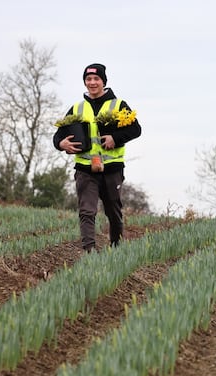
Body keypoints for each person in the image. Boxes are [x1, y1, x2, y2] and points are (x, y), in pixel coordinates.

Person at [53, 63, 142, 252]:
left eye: (96, 79)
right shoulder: (76, 108)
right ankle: (89, 252)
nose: (92, 83)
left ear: (103, 81)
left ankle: (116, 249)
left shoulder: (118, 105)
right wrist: (62, 144)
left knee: (113, 212)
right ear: (85, 82)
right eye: (88, 79)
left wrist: (115, 138)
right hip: (85, 169)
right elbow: (58, 135)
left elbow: (136, 129)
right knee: (86, 211)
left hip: (112, 169)